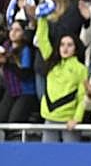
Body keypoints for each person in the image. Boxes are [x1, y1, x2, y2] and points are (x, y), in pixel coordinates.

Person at [34, 15, 87, 143]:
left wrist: (77, 118)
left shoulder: (81, 69)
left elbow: (82, 97)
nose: (65, 48)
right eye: (62, 44)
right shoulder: (52, 61)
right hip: (49, 117)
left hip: (69, 121)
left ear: (75, 49)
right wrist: (42, 18)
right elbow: (42, 40)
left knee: (71, 158)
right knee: (47, 156)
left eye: (69, 45)